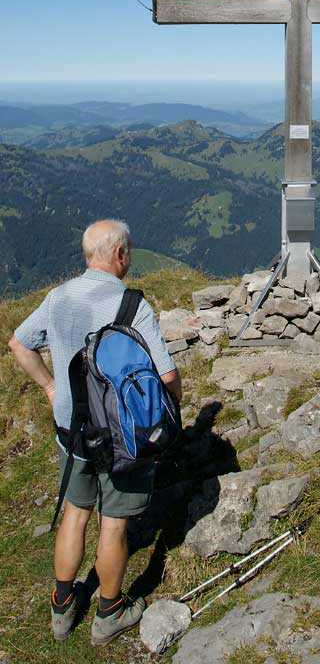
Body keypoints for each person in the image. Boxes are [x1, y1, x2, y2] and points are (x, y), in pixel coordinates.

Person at [8, 220, 182, 646]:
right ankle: (109, 612)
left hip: (71, 431)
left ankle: (62, 607)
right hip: (122, 437)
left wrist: (50, 387)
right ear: (120, 255)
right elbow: (167, 375)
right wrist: (172, 409)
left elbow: (19, 343)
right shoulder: (133, 305)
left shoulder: (57, 297)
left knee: (76, 512)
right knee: (113, 524)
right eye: (129, 252)